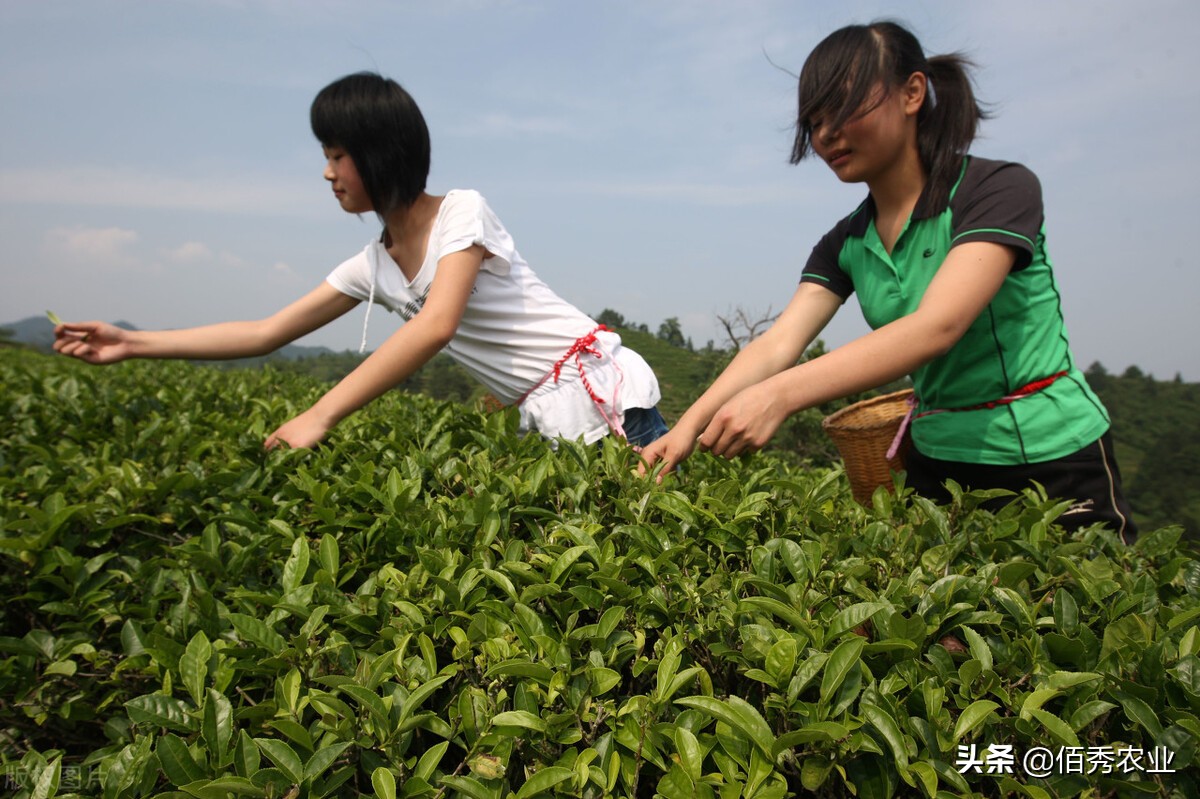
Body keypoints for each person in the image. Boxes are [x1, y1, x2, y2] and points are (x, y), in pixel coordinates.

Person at [638, 21, 1135, 540]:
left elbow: (937, 326)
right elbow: (777, 343)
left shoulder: (995, 190)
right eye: (815, 119)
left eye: (845, 106)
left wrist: (779, 397)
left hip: (1052, 457)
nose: (826, 133)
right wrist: (686, 430)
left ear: (913, 93)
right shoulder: (847, 241)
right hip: (939, 463)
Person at [53, 72, 667, 450]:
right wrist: (131, 343)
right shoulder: (371, 265)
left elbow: (437, 324)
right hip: (548, 416)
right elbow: (264, 333)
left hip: (602, 397)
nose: (327, 172)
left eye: (338, 154)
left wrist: (319, 416)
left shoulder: (463, 213)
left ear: (381, 153)